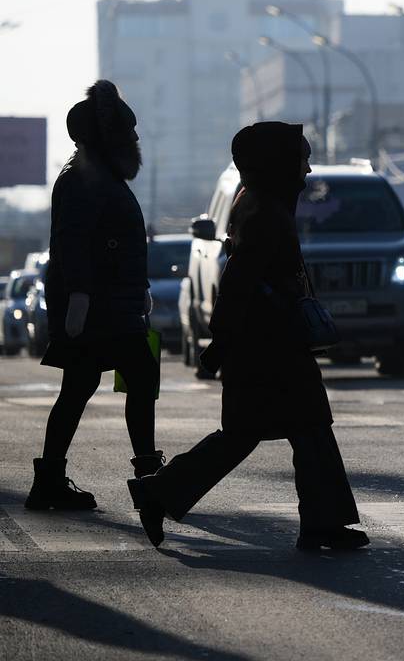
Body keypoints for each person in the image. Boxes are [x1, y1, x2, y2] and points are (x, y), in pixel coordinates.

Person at [129, 122, 367, 551]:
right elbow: (239, 282)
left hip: (269, 344)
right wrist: (221, 341)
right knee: (272, 431)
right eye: (301, 160)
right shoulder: (264, 213)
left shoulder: (260, 203)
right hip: (265, 347)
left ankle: (322, 523)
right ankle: (158, 493)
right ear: (277, 164)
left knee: (297, 430)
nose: (308, 171)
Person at [26, 80, 162, 511]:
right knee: (137, 377)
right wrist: (81, 296)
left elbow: (119, 242)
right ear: (108, 136)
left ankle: (50, 479)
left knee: (85, 386)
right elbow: (72, 241)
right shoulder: (85, 177)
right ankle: (148, 476)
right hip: (98, 307)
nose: (136, 138)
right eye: (128, 130)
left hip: (111, 303)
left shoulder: (99, 174)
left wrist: (139, 290)